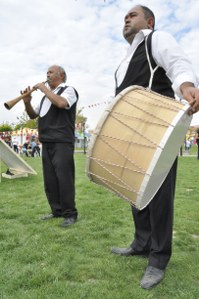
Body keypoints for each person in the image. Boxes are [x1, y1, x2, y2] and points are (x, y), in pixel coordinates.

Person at [111, 5, 199, 290]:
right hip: (131, 131)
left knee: (159, 194)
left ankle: (158, 259)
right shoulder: (123, 61)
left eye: (132, 15)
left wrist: (186, 86)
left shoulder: (155, 38)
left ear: (148, 21)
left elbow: (177, 63)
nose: (126, 18)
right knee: (135, 189)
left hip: (157, 129)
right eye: (125, 16)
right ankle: (141, 242)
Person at [21, 65, 78, 227]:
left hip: (62, 141)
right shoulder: (46, 97)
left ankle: (70, 214)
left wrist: (44, 89)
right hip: (46, 142)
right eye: (47, 73)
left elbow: (61, 104)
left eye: (51, 72)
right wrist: (27, 102)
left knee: (64, 178)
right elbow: (33, 115)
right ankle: (57, 211)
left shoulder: (68, 90)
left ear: (61, 75)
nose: (48, 75)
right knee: (50, 180)